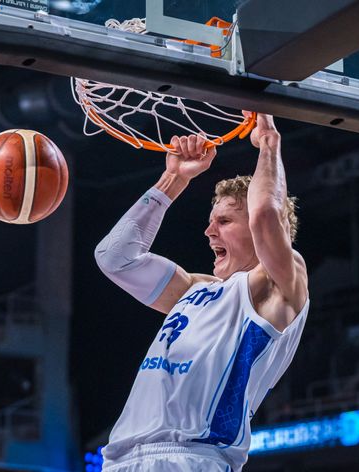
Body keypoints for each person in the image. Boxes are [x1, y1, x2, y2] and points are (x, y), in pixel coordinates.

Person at [94, 113, 309, 472]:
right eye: (211, 222)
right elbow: (115, 258)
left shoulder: (279, 284)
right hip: (121, 461)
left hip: (193, 458)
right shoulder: (195, 289)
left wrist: (268, 144)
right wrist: (173, 179)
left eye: (224, 221)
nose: (209, 232)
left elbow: (266, 217)